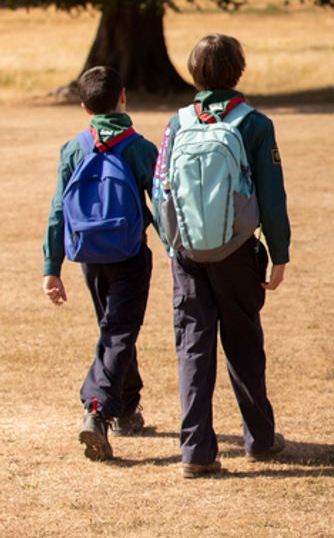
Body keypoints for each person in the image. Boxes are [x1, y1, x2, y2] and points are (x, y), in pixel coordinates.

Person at [153, 34, 291, 477]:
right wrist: (280, 252)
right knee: (244, 342)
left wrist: (173, 241)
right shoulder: (254, 123)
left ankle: (196, 451)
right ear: (239, 70)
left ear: (194, 72)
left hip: (187, 251)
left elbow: (159, 191)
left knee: (193, 348)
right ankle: (260, 439)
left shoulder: (176, 123)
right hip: (237, 252)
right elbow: (271, 196)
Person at [42, 66, 159, 461]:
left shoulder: (74, 148)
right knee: (120, 331)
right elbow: (162, 207)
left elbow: (59, 211)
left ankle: (126, 408)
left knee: (114, 330)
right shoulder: (140, 148)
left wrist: (51, 268)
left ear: (83, 106)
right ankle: (97, 410)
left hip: (88, 255)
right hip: (128, 253)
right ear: (123, 97)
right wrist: (181, 252)